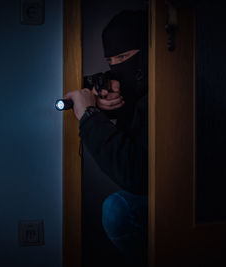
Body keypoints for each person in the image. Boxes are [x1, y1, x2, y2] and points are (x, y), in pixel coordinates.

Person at [65, 10, 148, 266]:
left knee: (118, 210)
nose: (115, 66)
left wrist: (89, 116)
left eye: (122, 56)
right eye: (110, 60)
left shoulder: (172, 90)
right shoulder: (135, 88)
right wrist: (114, 107)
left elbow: (134, 175)